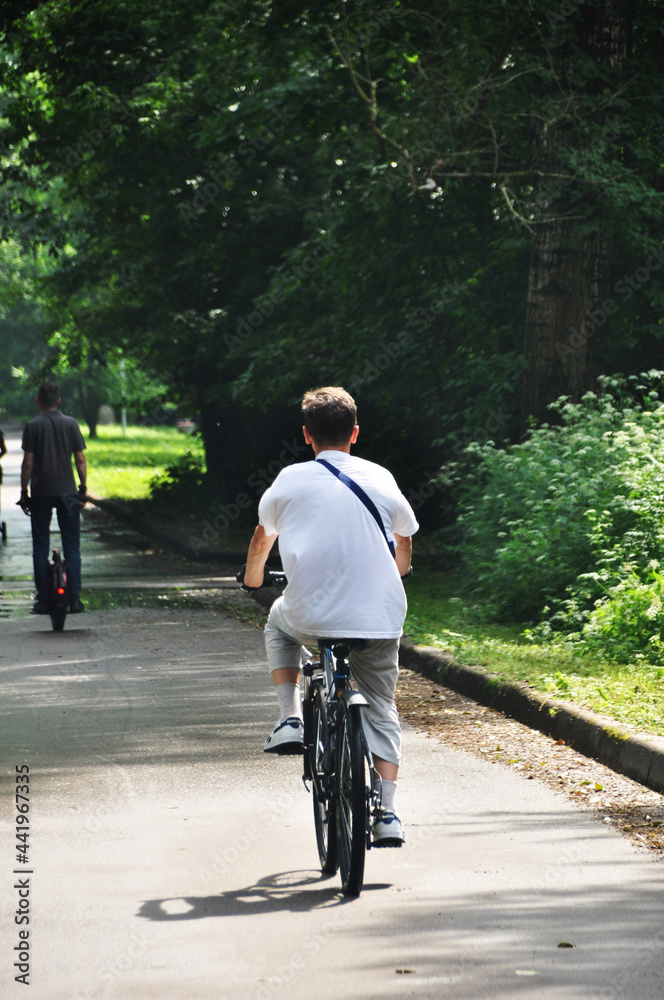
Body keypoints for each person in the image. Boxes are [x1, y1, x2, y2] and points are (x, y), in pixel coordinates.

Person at [240, 386, 418, 846]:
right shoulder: (380, 475)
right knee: (381, 708)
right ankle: (389, 814)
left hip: (310, 615)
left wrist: (253, 579)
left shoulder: (289, 480)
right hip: (379, 618)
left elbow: (263, 539)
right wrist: (398, 570)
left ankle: (289, 719)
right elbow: (405, 539)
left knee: (277, 622)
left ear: (306, 435)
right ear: (355, 433)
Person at [19, 381, 88, 614]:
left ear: (38, 401)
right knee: (72, 546)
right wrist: (83, 488)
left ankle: (42, 599)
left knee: (40, 546)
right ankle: (75, 599)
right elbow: (80, 460)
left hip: (40, 494)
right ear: (59, 401)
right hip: (68, 493)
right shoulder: (71, 424)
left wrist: (24, 492)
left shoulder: (32, 426)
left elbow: (27, 463)